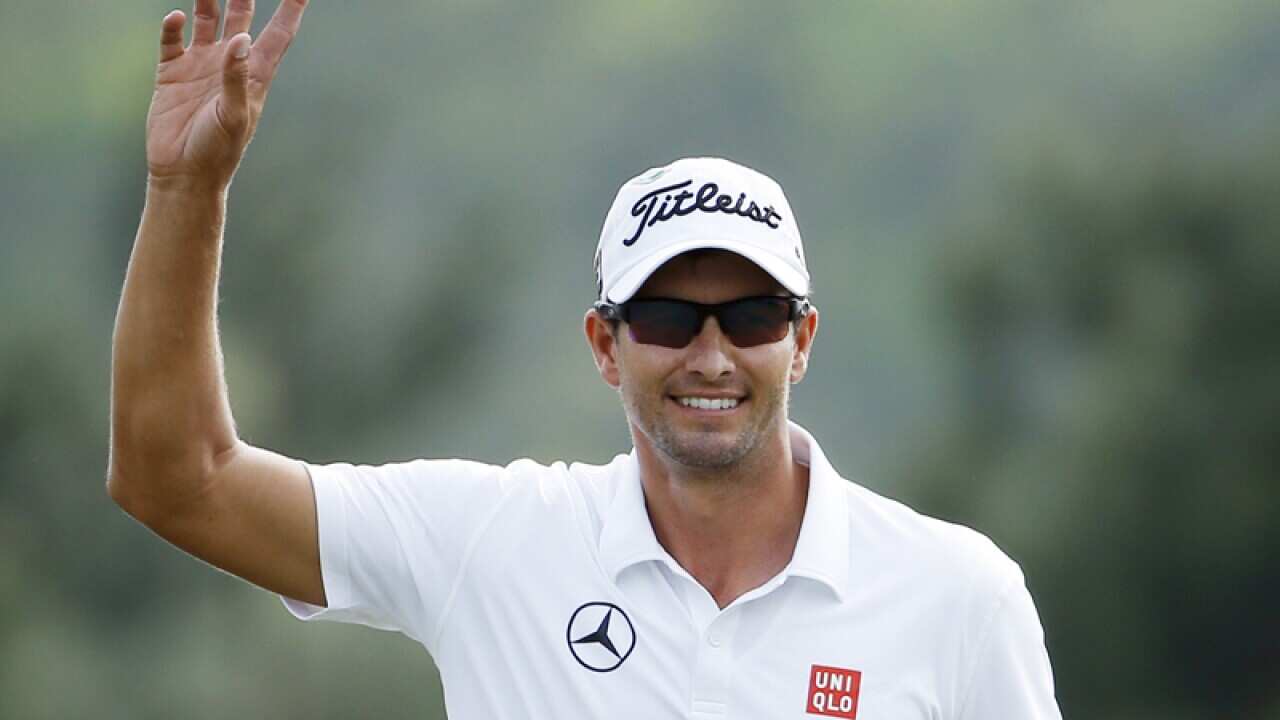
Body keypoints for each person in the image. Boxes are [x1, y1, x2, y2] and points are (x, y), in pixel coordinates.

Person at [109, 2, 1063, 718]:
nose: (712, 354)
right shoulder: (493, 544)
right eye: (668, 318)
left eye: (751, 315)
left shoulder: (959, 597)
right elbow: (177, 478)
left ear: (800, 340)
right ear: (606, 345)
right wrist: (186, 190)